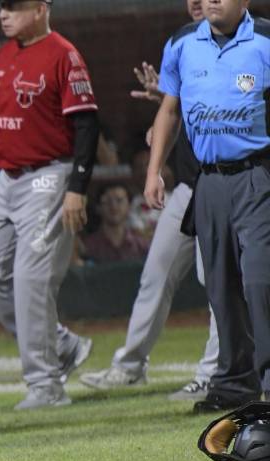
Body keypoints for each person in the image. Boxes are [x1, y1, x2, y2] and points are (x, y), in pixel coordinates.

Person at [0, 0, 99, 410]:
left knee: (32, 280)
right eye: (2, 7)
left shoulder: (63, 55)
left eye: (14, 7)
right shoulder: (3, 54)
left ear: (41, 8)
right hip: (9, 177)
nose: (4, 14)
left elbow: (87, 123)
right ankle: (62, 344)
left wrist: (78, 187)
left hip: (50, 175)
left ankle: (46, 385)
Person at [80, 0, 220, 402]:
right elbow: (179, 116)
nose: (197, 2)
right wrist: (165, 105)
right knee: (155, 275)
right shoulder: (183, 44)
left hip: (225, 187)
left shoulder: (246, 44)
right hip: (188, 188)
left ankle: (212, 374)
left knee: (218, 283)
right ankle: (130, 366)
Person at [144, 0, 270, 412]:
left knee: (259, 281)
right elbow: (169, 109)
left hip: (258, 176)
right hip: (208, 181)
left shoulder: (266, 39)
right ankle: (235, 384)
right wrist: (153, 171)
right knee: (220, 284)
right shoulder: (182, 42)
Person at [81, 183, 150, 263]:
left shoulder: (142, 245)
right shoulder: (88, 247)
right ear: (98, 207)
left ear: (129, 206)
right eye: (107, 201)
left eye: (119, 200)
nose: (114, 206)